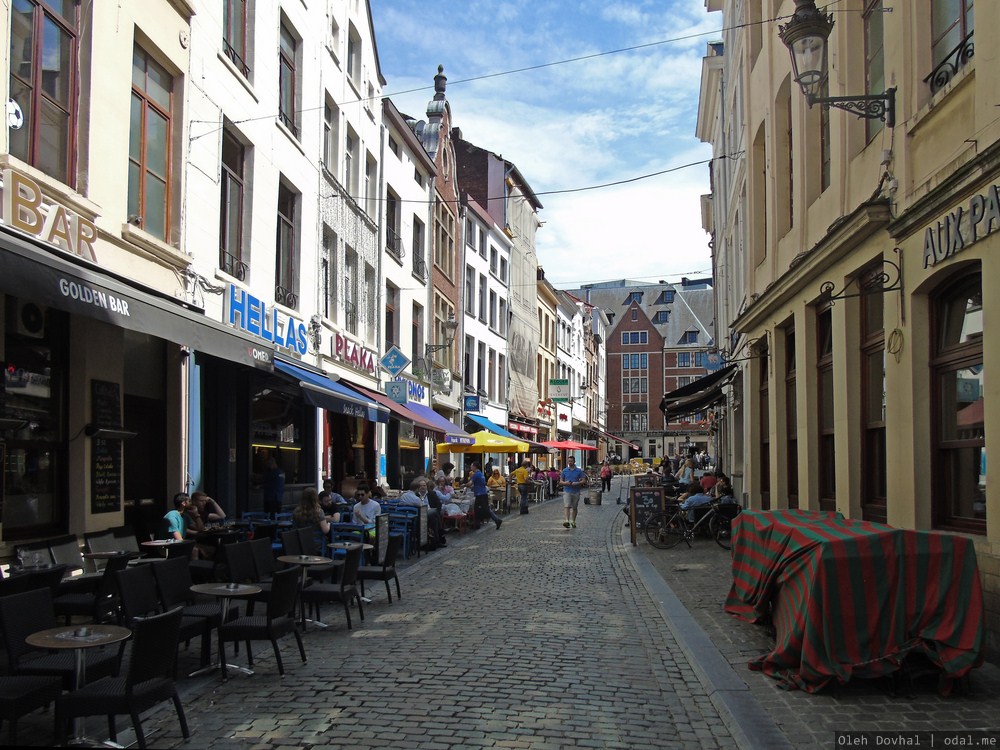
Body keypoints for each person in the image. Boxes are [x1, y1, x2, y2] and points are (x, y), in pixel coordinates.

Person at [398, 476, 446, 549]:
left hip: (427, 515)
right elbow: (422, 506)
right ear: (418, 488)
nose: (423, 487)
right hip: (419, 516)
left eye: (424, 485)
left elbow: (438, 504)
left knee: (434, 518)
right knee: (434, 514)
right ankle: (439, 538)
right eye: (421, 486)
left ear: (427, 486)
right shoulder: (416, 496)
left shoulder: (432, 493)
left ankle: (436, 541)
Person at [292, 487, 332, 555]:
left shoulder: (296, 512)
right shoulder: (319, 512)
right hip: (316, 544)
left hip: (300, 542)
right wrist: (329, 524)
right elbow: (325, 530)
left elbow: (294, 528)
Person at [468, 461, 502, 530]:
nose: (471, 467)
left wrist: (464, 485)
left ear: (475, 467)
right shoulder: (481, 474)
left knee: (483, 509)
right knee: (479, 509)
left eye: (472, 466)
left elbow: (470, 483)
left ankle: (497, 520)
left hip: (480, 495)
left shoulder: (476, 474)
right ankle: (477, 524)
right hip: (483, 494)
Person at [559, 455, 588, 529]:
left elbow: (584, 480)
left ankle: (573, 521)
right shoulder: (564, 471)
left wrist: (577, 483)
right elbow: (561, 481)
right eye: (569, 461)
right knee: (567, 506)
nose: (570, 463)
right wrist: (565, 483)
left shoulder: (579, 471)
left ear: (574, 462)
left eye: (571, 461)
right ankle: (566, 521)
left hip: (576, 491)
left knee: (574, 507)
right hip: (567, 490)